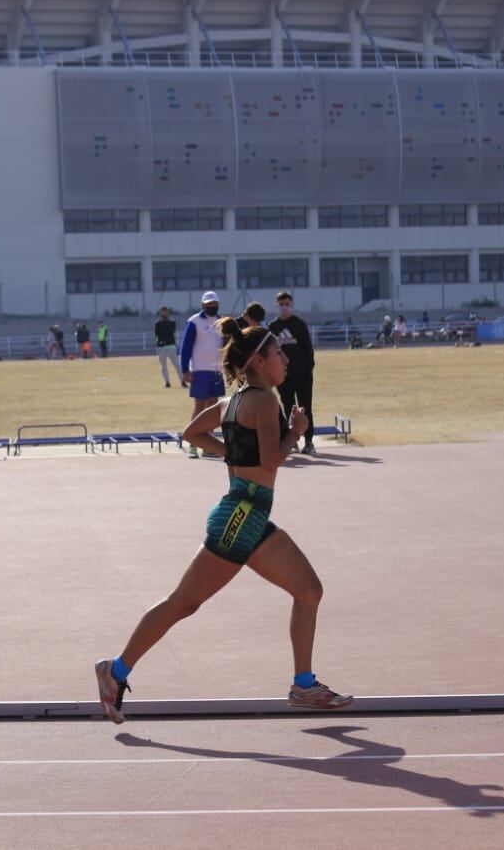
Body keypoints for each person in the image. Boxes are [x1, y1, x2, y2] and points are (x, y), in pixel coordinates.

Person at [93, 319, 354, 724]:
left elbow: (191, 432)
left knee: (308, 590)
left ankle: (304, 685)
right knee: (183, 602)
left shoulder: (233, 402)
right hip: (240, 516)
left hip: (249, 514)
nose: (285, 359)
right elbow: (270, 459)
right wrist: (297, 431)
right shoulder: (266, 401)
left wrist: (232, 455)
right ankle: (116, 670)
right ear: (258, 361)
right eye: (279, 354)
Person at [268, 291, 316, 455]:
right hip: (283, 376)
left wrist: (308, 369)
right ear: (276, 305)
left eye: (287, 304)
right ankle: (291, 440)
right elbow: (270, 353)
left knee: (305, 407)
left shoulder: (299, 325)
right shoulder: (272, 327)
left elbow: (308, 350)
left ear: (292, 305)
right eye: (281, 304)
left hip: (302, 374)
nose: (284, 307)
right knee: (287, 407)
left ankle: (309, 441)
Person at [180, 291, 227, 457]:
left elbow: (226, 345)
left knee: (213, 409)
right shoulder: (194, 321)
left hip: (216, 370)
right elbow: (185, 347)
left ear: (218, 304)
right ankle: (193, 444)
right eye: (208, 304)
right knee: (199, 407)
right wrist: (185, 370)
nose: (212, 306)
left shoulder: (222, 322)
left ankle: (208, 445)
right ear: (203, 305)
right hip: (199, 370)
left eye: (214, 304)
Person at [155, 307, 180, 387]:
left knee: (176, 364)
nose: (164, 314)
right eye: (162, 312)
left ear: (168, 313)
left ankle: (182, 380)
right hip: (161, 347)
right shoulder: (157, 323)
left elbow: (170, 331)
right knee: (163, 365)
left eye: (165, 312)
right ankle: (167, 382)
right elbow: (157, 334)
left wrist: (163, 336)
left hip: (171, 345)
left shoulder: (172, 322)